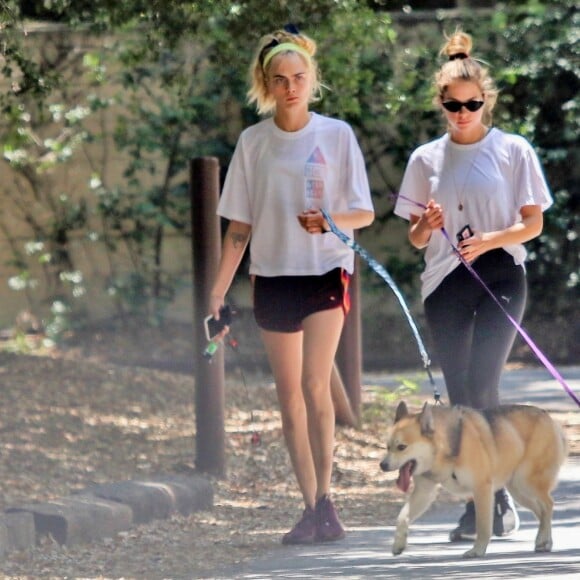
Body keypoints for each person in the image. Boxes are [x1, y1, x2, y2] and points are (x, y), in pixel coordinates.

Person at [208, 27, 374, 545]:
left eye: (299, 78)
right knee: (289, 397)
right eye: (279, 80)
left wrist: (328, 222)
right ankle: (311, 507)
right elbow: (239, 228)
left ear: (312, 79)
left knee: (314, 384)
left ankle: (328, 497)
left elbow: (364, 213)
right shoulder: (253, 143)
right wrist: (216, 294)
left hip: (326, 272)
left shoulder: (337, 135)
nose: (290, 87)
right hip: (273, 278)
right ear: (266, 84)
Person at [394, 30, 552, 542]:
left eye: (472, 104)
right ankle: (495, 500)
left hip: (501, 272)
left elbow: (532, 224)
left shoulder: (513, 149)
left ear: (487, 101)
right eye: (453, 105)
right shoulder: (425, 159)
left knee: (484, 383)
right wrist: (427, 222)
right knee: (460, 395)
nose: (463, 112)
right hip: (445, 282)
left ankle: (490, 500)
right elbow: (417, 238)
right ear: (440, 103)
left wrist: (487, 241)